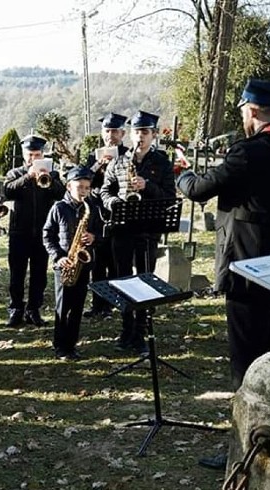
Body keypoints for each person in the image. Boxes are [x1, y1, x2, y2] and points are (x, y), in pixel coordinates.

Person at [177, 79, 270, 392]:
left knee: (246, 353)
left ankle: (247, 416)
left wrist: (183, 173)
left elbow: (200, 189)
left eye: (244, 111)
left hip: (249, 263)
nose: (243, 118)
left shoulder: (248, 151)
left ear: (253, 110)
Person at [100, 111, 176, 355]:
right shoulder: (119, 161)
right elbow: (104, 191)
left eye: (145, 132)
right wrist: (113, 202)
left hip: (147, 230)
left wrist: (148, 186)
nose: (140, 137)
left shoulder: (162, 163)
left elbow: (169, 197)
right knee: (123, 280)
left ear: (153, 135)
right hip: (122, 229)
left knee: (144, 280)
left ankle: (141, 332)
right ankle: (126, 328)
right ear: (130, 134)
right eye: (136, 132)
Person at [2, 135, 65, 327]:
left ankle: (33, 309)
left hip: (43, 233)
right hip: (19, 231)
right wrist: (28, 176)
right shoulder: (15, 173)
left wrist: (49, 178)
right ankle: (16, 309)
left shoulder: (51, 174)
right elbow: (7, 191)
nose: (34, 159)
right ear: (24, 155)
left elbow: (61, 193)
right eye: (30, 155)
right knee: (17, 274)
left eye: (37, 155)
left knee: (39, 274)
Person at [43, 166, 104, 360]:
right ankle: (60, 345)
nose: (84, 191)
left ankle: (71, 344)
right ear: (69, 186)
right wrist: (58, 256)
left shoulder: (92, 208)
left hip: (83, 263)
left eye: (87, 188)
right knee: (63, 306)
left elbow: (102, 233)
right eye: (80, 187)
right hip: (64, 264)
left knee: (78, 305)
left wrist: (93, 237)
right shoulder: (59, 207)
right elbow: (47, 235)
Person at [82, 113, 128, 319]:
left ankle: (113, 303)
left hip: (118, 212)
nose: (110, 136)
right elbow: (82, 179)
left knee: (115, 261)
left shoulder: (127, 154)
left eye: (114, 132)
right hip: (97, 215)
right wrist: (97, 166)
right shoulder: (94, 155)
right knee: (97, 262)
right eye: (107, 131)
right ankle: (97, 304)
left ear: (122, 134)